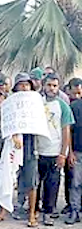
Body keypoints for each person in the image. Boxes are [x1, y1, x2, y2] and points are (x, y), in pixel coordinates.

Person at [0, 73, 40, 227]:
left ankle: (32, 214)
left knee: (31, 180)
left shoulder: (36, 101)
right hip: (12, 144)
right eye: (21, 84)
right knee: (8, 176)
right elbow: (6, 121)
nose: (24, 87)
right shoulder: (9, 102)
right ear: (16, 86)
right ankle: (4, 210)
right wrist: (13, 135)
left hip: (30, 144)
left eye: (27, 84)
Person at [36, 73, 74, 225]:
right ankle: (34, 210)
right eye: (49, 85)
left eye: (54, 85)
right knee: (36, 183)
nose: (51, 88)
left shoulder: (62, 105)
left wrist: (62, 153)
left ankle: (48, 212)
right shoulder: (36, 102)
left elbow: (66, 130)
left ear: (58, 87)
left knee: (52, 184)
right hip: (38, 151)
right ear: (43, 85)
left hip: (54, 151)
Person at [67, 88, 82, 224]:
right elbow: (69, 131)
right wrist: (70, 152)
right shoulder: (75, 106)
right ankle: (75, 211)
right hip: (78, 151)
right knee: (76, 183)